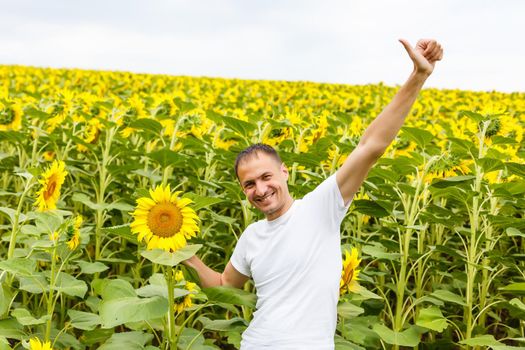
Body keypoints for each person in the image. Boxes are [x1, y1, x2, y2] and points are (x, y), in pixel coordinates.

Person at [183, 38, 444, 349]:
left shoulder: (320, 208)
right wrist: (185, 254)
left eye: (266, 177)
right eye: (249, 184)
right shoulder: (251, 237)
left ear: (284, 172)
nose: (260, 190)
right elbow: (225, 285)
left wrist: (419, 76)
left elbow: (369, 148)